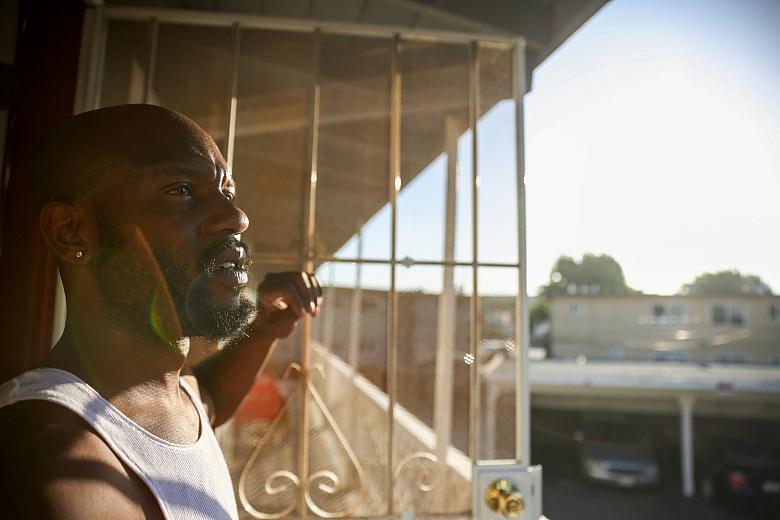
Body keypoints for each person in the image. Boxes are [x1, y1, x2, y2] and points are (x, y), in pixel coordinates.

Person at [0, 104, 322, 519]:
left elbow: (210, 401)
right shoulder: (57, 459)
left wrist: (262, 330)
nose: (235, 217)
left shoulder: (169, 389)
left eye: (227, 191)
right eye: (180, 190)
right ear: (72, 231)